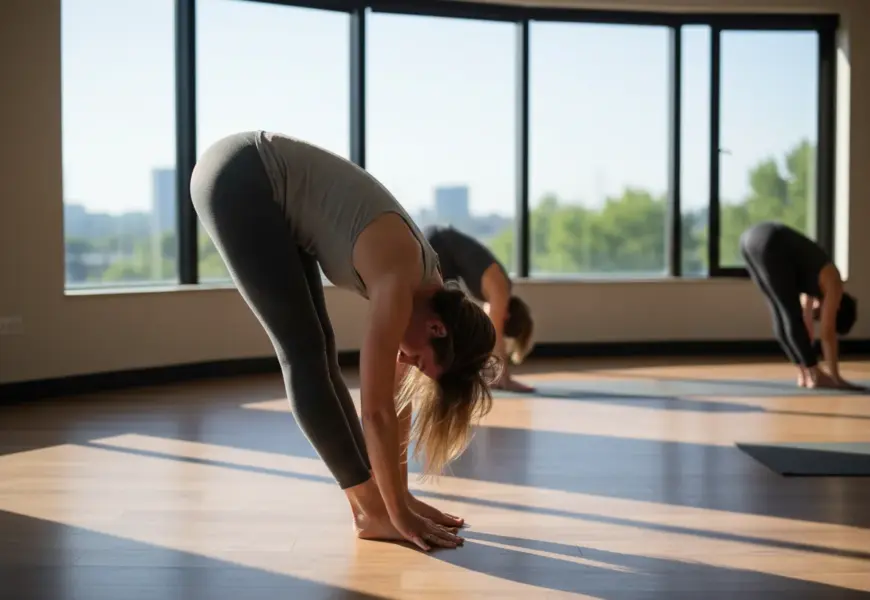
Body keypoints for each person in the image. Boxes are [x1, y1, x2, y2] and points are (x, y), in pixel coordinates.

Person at [190, 131, 501, 552]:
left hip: (268, 191)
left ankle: (377, 507)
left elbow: (398, 405)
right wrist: (399, 515)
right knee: (303, 352)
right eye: (422, 362)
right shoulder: (399, 281)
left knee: (318, 348)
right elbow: (375, 411)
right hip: (242, 177)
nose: (410, 362)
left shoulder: (427, 290)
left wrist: (403, 499)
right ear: (437, 329)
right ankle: (369, 512)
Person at [739, 221, 860, 390]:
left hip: (749, 240)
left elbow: (805, 323)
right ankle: (814, 374)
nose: (822, 315)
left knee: (780, 311)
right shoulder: (834, 283)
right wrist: (836, 377)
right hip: (771, 240)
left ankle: (804, 373)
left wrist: (805, 363)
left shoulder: (814, 280)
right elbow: (827, 332)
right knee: (788, 313)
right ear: (839, 307)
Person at [424, 224, 535, 393]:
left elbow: (489, 333)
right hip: (438, 244)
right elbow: (495, 334)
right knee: (446, 318)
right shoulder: (500, 288)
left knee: (450, 317)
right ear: (507, 316)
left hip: (439, 246)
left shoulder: (497, 289)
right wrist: (505, 378)